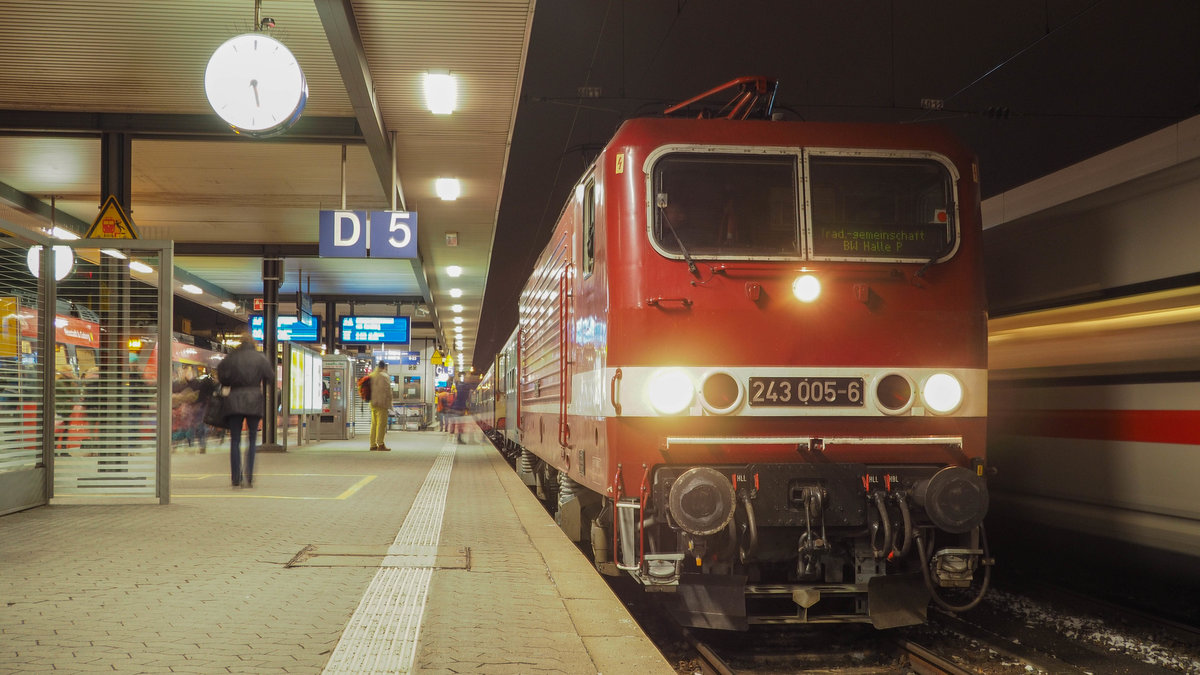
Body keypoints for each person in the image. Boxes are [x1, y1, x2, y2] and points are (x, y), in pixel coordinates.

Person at [216, 333, 274, 488]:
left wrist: (231, 382)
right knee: (252, 439)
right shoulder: (260, 358)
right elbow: (270, 377)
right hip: (254, 399)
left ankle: (236, 478)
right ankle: (249, 477)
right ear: (253, 343)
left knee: (235, 440)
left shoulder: (232, 357)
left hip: (234, 399)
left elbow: (222, 376)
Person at [368, 360, 394, 451]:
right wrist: (390, 404)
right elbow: (388, 391)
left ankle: (372, 444)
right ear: (384, 367)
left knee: (374, 424)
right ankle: (381, 444)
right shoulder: (384, 376)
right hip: (382, 403)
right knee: (381, 424)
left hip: (373, 403)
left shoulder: (371, 375)